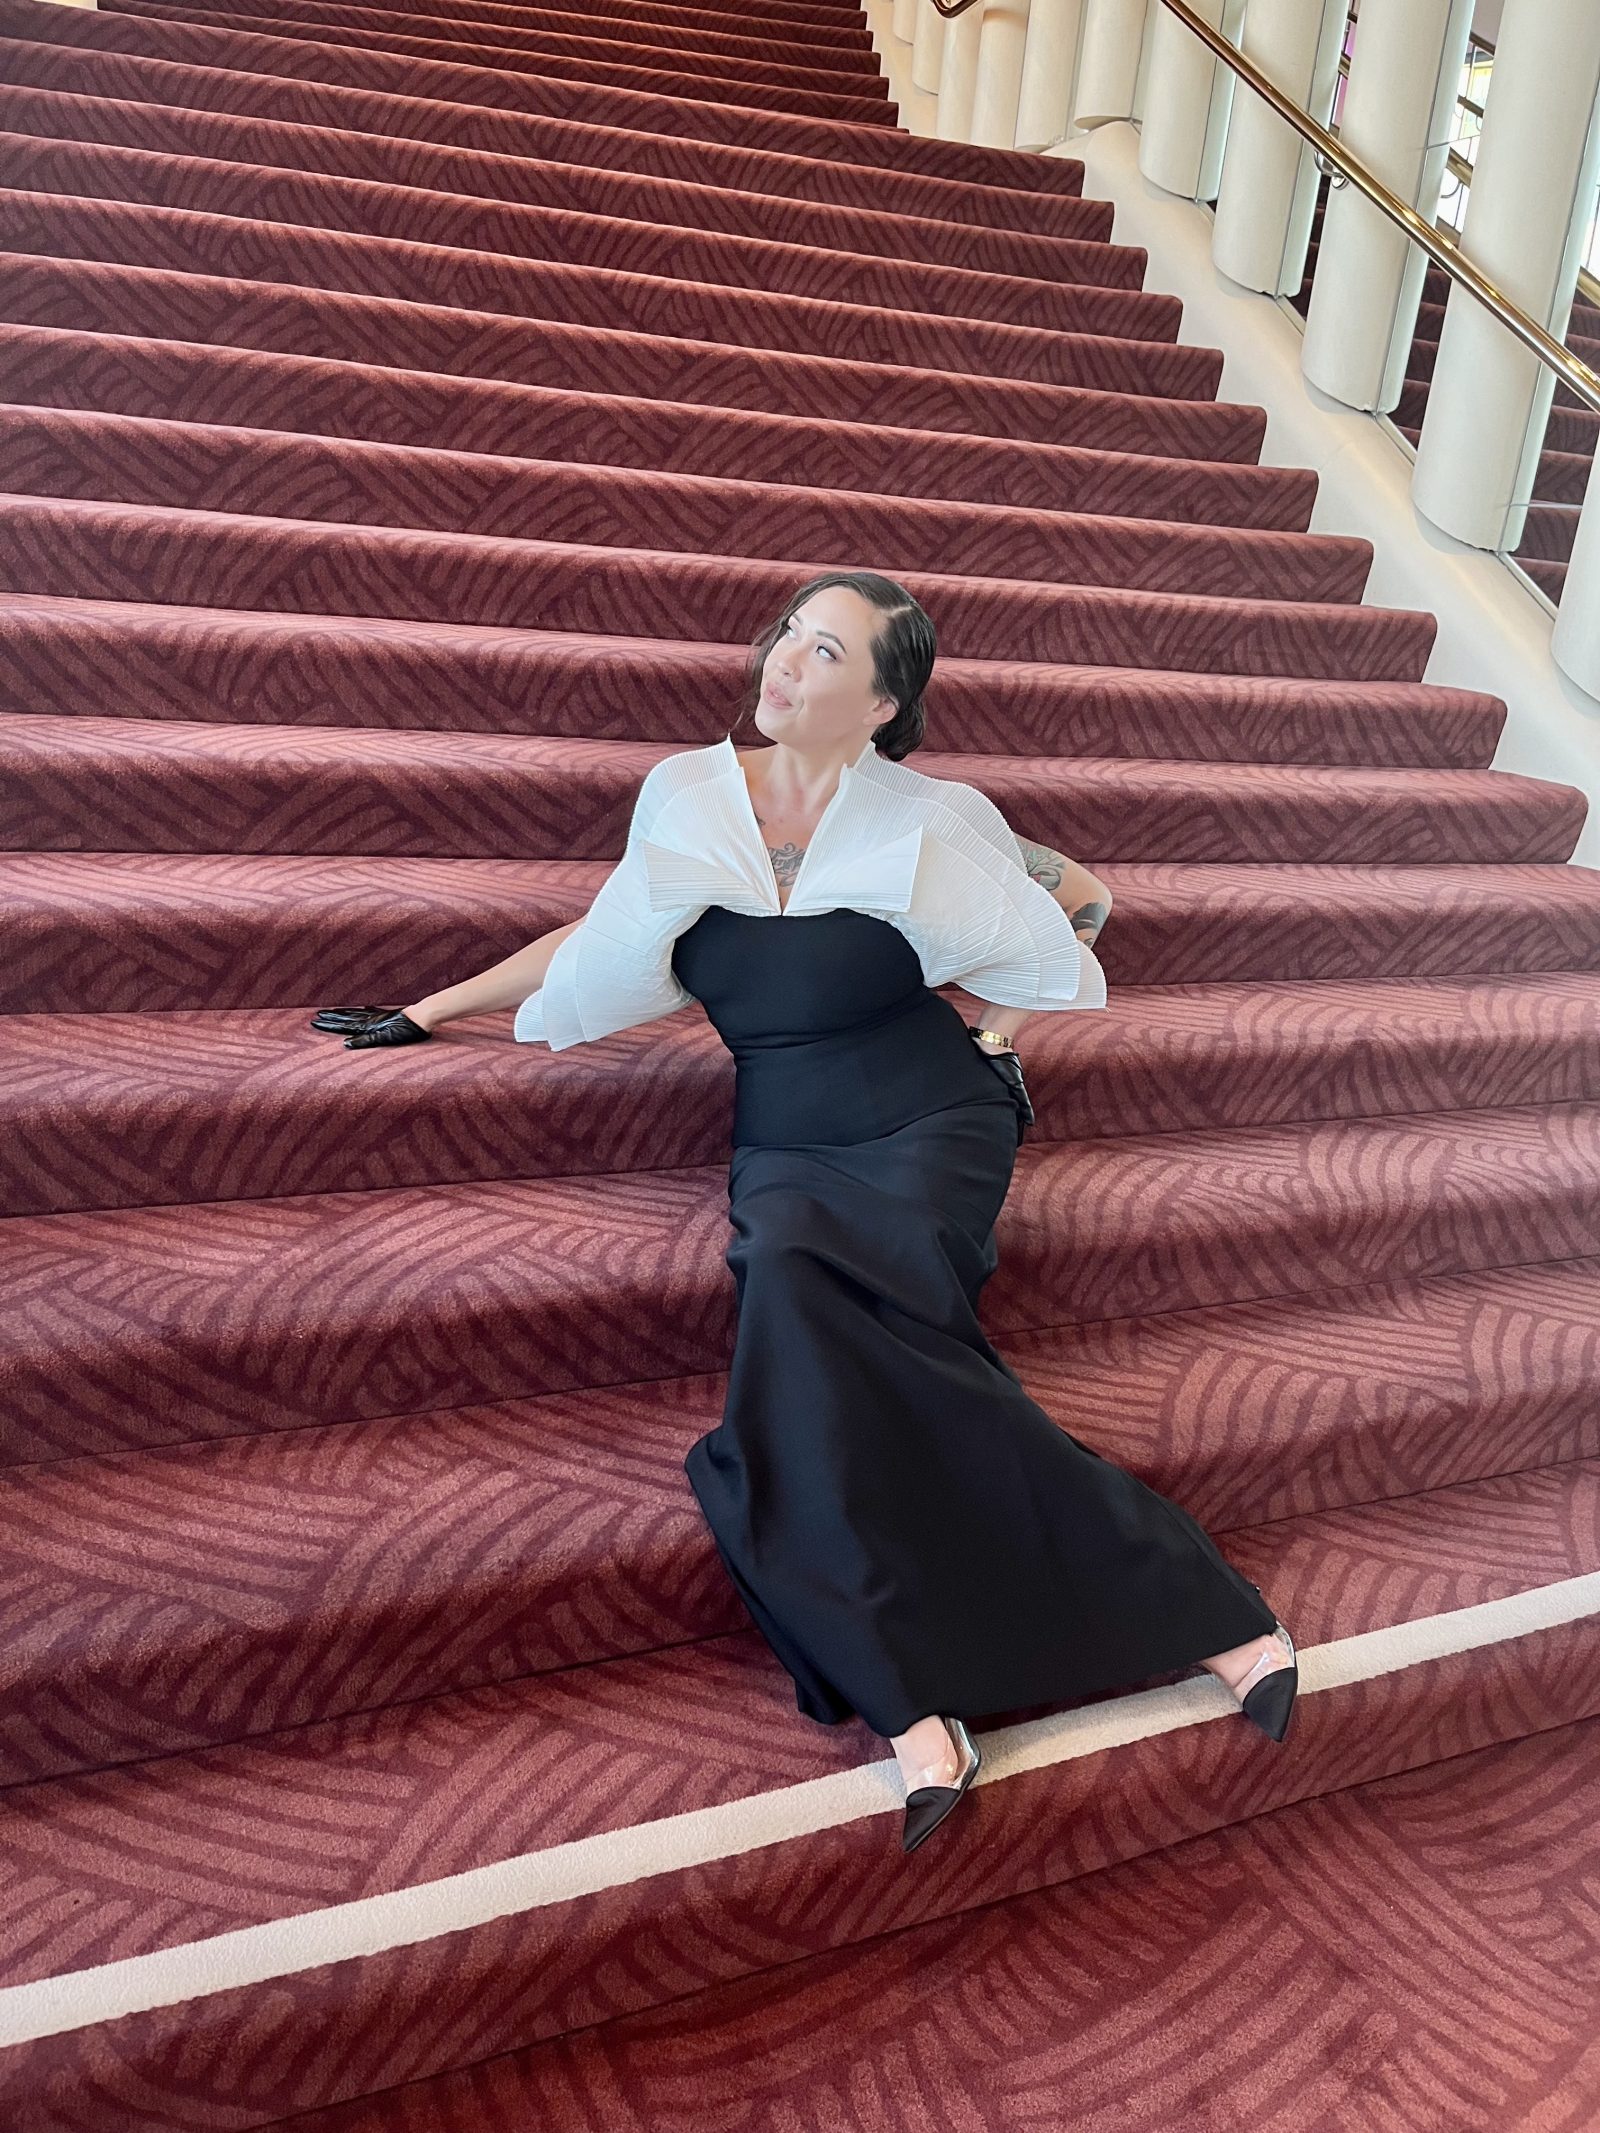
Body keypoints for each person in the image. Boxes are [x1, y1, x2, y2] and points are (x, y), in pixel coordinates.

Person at [313, 569, 1298, 1855]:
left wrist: (998, 1037)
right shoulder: (687, 797)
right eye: (785, 634)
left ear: (882, 700)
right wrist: (429, 1010)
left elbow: (1077, 901)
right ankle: (963, 1679)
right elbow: (608, 935)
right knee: (793, 1285)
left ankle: (1109, 1639)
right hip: (786, 1135)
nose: (783, 659)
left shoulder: (938, 818)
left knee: (835, 1319)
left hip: (929, 1118)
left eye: (823, 650)